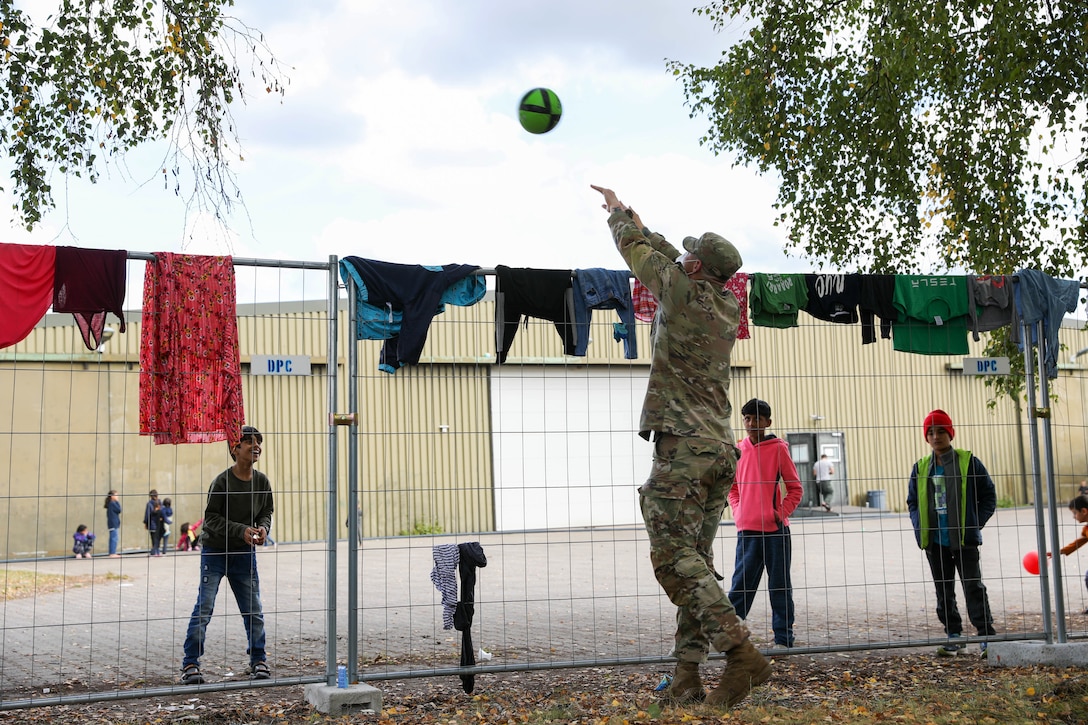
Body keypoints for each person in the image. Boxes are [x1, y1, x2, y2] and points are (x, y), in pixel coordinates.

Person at [590, 184, 770, 708]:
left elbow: (642, 258)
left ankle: (741, 655)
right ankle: (688, 674)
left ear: (696, 268)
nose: (682, 257)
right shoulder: (726, 304)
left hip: (686, 449)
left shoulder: (681, 290)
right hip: (719, 451)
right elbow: (671, 260)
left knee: (673, 560)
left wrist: (621, 219)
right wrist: (648, 229)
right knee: (695, 563)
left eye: (689, 255)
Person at [180, 425, 273, 685]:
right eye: (249, 442)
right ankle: (190, 664)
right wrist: (240, 529)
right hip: (216, 552)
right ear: (235, 448)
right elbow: (210, 520)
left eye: (258, 442)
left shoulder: (262, 481)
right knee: (205, 607)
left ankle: (259, 660)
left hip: (244, 553)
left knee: (253, 609)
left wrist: (263, 528)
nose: (256, 447)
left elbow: (266, 511)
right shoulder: (222, 481)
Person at [907, 409, 997, 657]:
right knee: (943, 589)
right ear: (926, 437)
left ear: (950, 433)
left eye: (941, 431)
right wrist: (920, 528)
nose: (936, 436)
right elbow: (912, 502)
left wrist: (974, 524)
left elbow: (989, 496)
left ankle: (986, 635)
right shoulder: (921, 467)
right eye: (931, 432)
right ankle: (954, 635)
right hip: (935, 541)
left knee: (973, 586)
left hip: (964, 539)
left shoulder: (968, 462)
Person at [728, 398, 803, 648]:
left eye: (757, 419)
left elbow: (795, 488)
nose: (751, 424)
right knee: (741, 585)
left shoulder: (779, 449)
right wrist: (739, 512)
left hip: (775, 532)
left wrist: (778, 514)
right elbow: (732, 489)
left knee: (779, 586)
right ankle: (731, 638)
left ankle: (783, 639)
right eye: (747, 419)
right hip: (746, 531)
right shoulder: (738, 449)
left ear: (767, 422)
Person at [1051, 494, 1088, 615]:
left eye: (1074, 513)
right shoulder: (1086, 529)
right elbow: (1078, 542)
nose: (1074, 517)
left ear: (1084, 511)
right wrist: (1060, 551)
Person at [143, 489, 165, 556]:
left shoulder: (149, 504)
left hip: (152, 524)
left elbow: (147, 515)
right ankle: (157, 551)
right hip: (159, 524)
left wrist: (146, 523)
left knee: (153, 538)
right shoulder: (160, 504)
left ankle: (154, 551)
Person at [104, 490, 122, 557]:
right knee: (114, 538)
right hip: (113, 523)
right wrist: (117, 501)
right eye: (116, 495)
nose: (117, 497)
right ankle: (112, 553)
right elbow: (119, 510)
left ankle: (112, 552)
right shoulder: (112, 503)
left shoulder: (111, 504)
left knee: (113, 538)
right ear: (112, 496)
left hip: (113, 523)